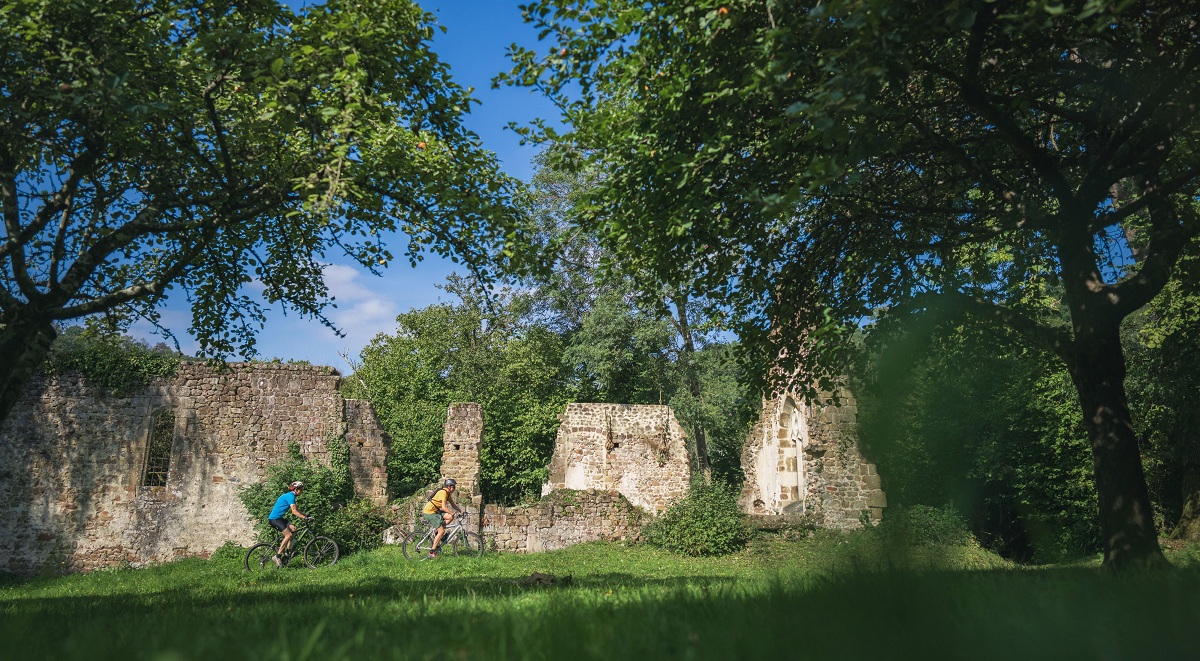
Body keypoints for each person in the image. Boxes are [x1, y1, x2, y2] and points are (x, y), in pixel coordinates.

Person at [268, 480, 311, 566]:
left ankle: (287, 553)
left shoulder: (291, 496)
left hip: (279, 518)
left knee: (294, 529)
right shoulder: (290, 496)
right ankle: (277, 555)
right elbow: (294, 512)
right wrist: (305, 518)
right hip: (274, 519)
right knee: (289, 535)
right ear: (296, 489)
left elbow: (297, 510)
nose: (302, 492)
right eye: (301, 490)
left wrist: (306, 515)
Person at [421, 478, 464, 559]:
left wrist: (461, 511)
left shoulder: (447, 494)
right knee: (442, 531)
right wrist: (451, 512)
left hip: (435, 511)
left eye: (454, 486)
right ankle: (432, 552)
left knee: (450, 517)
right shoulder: (443, 493)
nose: (454, 488)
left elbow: (453, 505)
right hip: (430, 512)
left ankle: (438, 533)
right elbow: (444, 508)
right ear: (448, 486)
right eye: (453, 486)